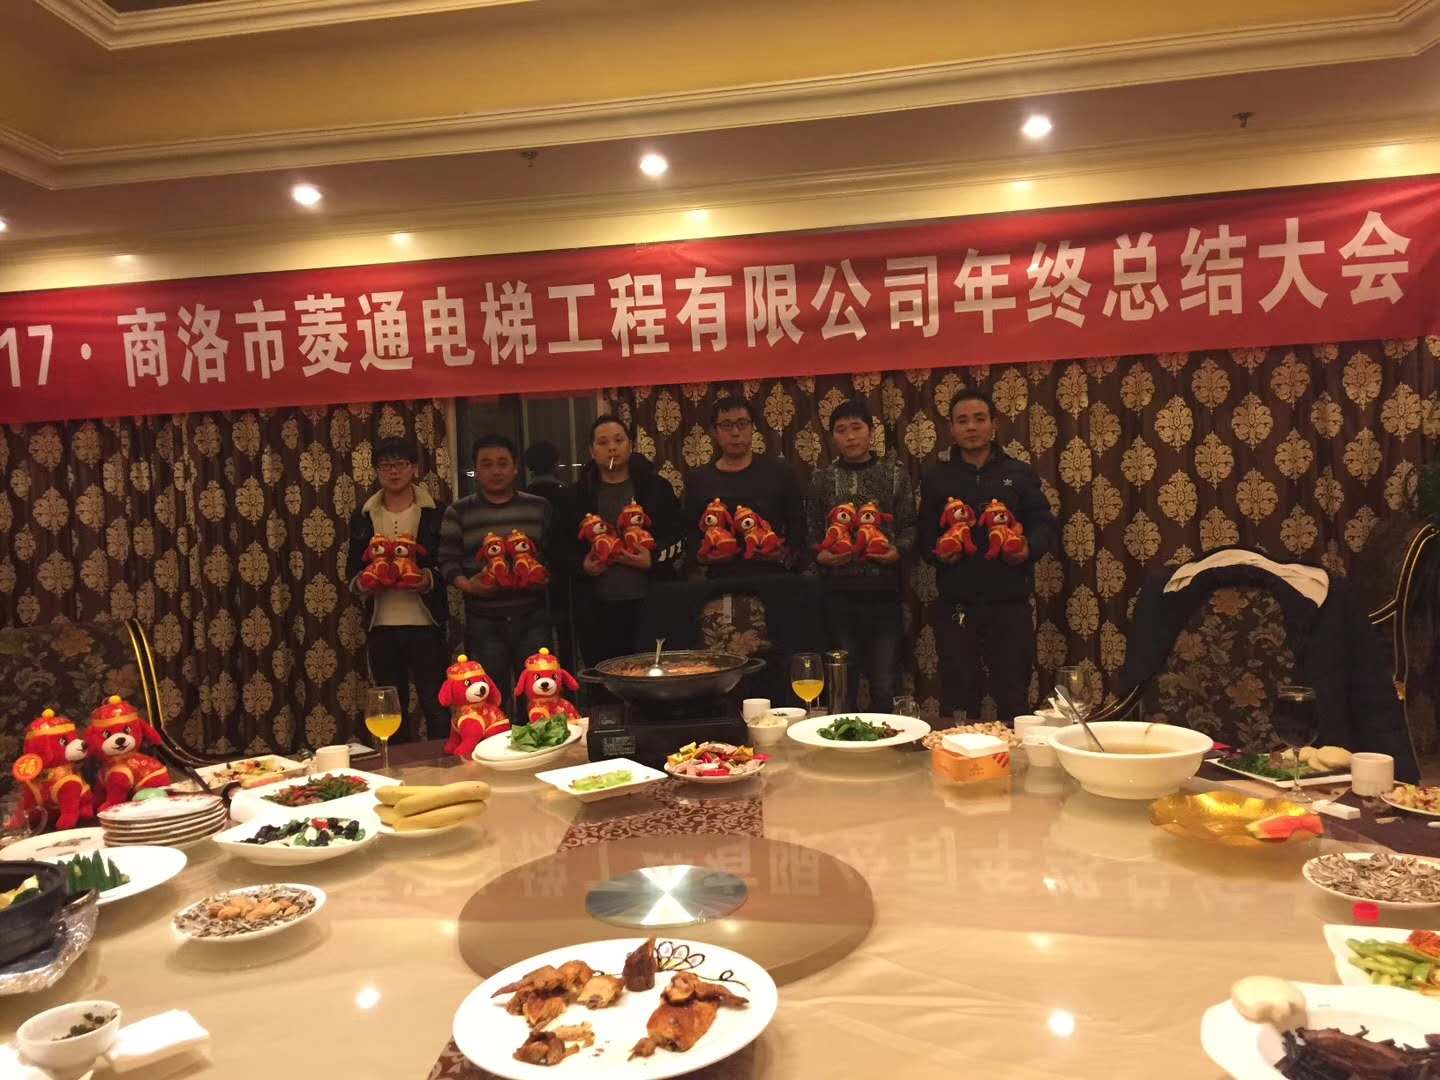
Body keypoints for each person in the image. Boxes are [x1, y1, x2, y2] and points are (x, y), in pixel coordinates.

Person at [917, 388, 1057, 725]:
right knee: (958, 695)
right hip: (957, 604)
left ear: (994, 424)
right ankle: (958, 754)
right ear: (951, 429)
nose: (971, 427)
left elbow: (1043, 523)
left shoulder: (1019, 473)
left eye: (979, 419)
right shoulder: (937, 476)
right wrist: (939, 554)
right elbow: (924, 533)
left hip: (1010, 602)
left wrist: (1028, 549)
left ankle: (1017, 755)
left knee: (1014, 693)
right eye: (962, 421)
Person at [804, 400, 915, 712]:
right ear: (832, 437)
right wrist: (821, 556)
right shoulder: (822, 478)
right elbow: (810, 532)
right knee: (842, 683)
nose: (850, 436)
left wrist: (897, 550)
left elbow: (909, 525)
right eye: (841, 430)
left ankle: (888, 738)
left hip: (884, 593)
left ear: (871, 431)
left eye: (857, 428)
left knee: (884, 682)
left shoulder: (893, 474)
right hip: (837, 595)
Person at [437, 435, 554, 717]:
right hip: (484, 621)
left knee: (540, 697)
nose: (496, 470)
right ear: (475, 470)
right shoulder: (458, 511)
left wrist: (544, 576)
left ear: (515, 468)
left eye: (502, 463)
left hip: (532, 617)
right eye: (487, 464)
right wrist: (470, 586)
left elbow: (554, 557)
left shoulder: (539, 507)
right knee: (488, 702)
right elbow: (446, 562)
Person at [344, 438, 449, 741]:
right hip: (381, 624)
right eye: (385, 465)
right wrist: (363, 582)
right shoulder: (363, 514)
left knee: (436, 703)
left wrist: (428, 578)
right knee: (390, 708)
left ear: (414, 468)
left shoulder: (435, 511)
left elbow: (449, 563)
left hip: (427, 622)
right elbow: (352, 569)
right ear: (376, 471)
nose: (393, 471)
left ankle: (444, 763)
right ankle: (399, 764)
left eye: (400, 464)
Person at [572, 415, 684, 666]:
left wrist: (652, 559)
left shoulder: (656, 488)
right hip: (598, 610)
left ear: (630, 446)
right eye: (603, 442)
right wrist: (583, 565)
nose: (612, 447)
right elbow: (562, 548)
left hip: (651, 604)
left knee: (654, 673)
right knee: (606, 676)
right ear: (592, 451)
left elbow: (679, 536)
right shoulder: (578, 494)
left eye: (618, 440)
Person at [682, 396, 806, 577]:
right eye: (726, 425)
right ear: (714, 432)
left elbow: (798, 526)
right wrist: (702, 555)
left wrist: (783, 554)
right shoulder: (699, 479)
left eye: (742, 424)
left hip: (772, 574)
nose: (735, 432)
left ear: (752, 427)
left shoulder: (780, 472)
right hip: (717, 577)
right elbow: (690, 531)